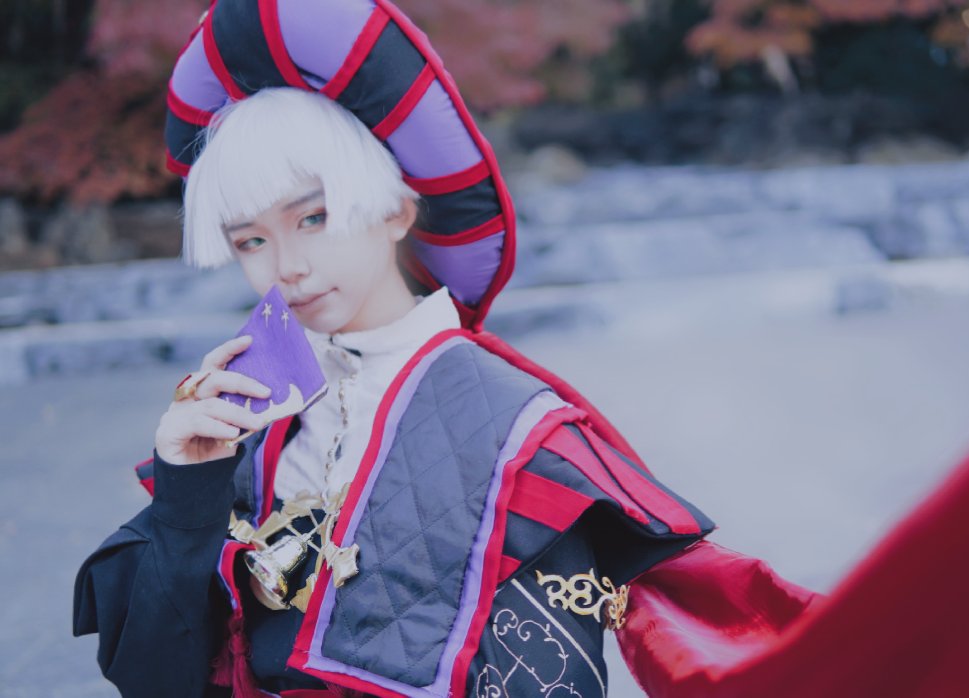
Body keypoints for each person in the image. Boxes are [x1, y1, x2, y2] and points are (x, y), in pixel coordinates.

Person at [72, 4, 821, 695]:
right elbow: (155, 679)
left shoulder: (517, 433)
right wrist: (187, 492)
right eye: (250, 241)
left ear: (396, 212)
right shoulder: (244, 414)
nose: (287, 267)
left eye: (314, 218)